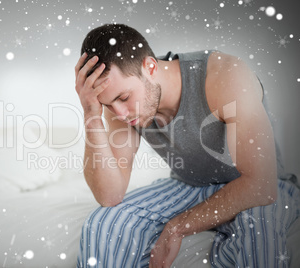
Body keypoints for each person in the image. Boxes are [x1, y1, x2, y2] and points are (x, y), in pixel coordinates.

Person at [74, 23, 299, 268]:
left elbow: (261, 186)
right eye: (108, 105)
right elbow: (110, 196)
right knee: (104, 224)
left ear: (150, 67)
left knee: (259, 237)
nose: (119, 113)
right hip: (189, 185)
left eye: (124, 98)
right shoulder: (119, 107)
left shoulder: (226, 75)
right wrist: (91, 114)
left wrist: (178, 226)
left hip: (255, 184)